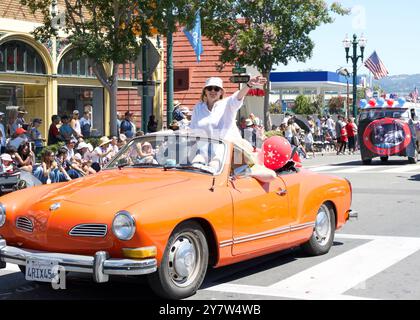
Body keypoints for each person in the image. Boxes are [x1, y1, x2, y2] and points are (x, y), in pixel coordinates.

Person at [189, 76, 267, 142]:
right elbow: (192, 131)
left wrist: (248, 85)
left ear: (221, 92)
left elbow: (238, 96)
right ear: (205, 91)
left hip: (228, 150)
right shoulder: (198, 108)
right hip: (204, 151)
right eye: (209, 88)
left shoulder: (227, 103)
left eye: (216, 89)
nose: (213, 91)